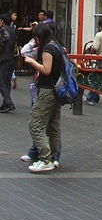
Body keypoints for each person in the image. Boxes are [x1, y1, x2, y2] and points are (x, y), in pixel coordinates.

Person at [24, 23, 63, 173]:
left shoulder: (48, 49)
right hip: (57, 90)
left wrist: (33, 62)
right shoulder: (58, 47)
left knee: (35, 124)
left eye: (36, 37)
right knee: (53, 126)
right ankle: (52, 158)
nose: (36, 40)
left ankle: (45, 158)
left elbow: (46, 70)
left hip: (47, 90)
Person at [0, 13, 16, 112]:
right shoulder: (12, 31)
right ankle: (5, 104)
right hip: (10, 58)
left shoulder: (3, 31)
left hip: (3, 59)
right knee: (7, 82)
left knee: (1, 82)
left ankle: (8, 103)